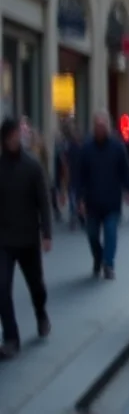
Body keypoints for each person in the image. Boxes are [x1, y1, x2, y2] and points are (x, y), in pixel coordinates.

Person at [0, 118, 53, 358]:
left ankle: (41, 313)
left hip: (28, 238)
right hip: (4, 240)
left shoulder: (32, 166)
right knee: (2, 289)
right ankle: (11, 337)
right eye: (9, 136)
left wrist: (47, 234)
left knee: (36, 286)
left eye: (16, 135)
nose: (13, 139)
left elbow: (43, 202)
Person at [78, 110, 129, 280]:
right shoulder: (86, 149)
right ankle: (98, 257)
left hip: (111, 200)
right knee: (92, 234)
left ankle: (108, 264)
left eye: (103, 125)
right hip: (92, 201)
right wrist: (79, 198)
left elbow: (125, 170)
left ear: (108, 127)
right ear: (94, 127)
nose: (101, 129)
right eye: (98, 126)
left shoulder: (117, 147)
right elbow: (80, 175)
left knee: (111, 232)